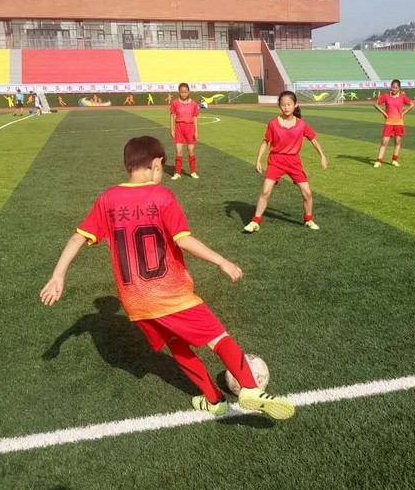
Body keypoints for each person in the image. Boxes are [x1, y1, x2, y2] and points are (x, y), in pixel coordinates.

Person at [39, 136, 295, 419]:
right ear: (157, 163)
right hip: (169, 293)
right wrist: (221, 261)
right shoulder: (162, 196)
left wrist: (58, 276)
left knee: (176, 345)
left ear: (127, 165)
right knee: (218, 337)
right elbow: (184, 240)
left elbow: (77, 237)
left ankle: (214, 401)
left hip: (135, 303)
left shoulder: (108, 199)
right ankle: (249, 388)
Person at [244, 91, 327, 232]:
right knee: (265, 191)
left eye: (289, 104)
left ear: (295, 105)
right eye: (283, 104)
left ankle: (308, 219)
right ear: (279, 106)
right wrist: (258, 160)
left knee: (307, 193)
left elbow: (313, 140)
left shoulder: (301, 124)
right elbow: (265, 143)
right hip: (276, 161)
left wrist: (322, 156)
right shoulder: (273, 123)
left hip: (294, 162)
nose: (286, 107)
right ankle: (255, 221)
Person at [373, 79, 414, 167]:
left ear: (399, 88)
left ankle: (394, 160)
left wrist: (403, 113)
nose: (394, 89)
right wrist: (384, 113)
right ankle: (378, 161)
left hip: (399, 122)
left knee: (397, 141)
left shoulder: (402, 97)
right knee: (384, 142)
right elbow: (375, 104)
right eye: (392, 87)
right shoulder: (386, 96)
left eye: (395, 87)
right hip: (389, 122)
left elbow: (412, 105)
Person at [169, 83, 200, 180]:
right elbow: (172, 116)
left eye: (185, 92)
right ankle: (177, 173)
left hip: (190, 128)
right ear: (179, 92)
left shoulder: (193, 104)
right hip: (179, 128)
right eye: (182, 92)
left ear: (188, 92)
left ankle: (193, 172)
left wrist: (196, 131)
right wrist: (172, 129)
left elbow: (195, 118)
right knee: (178, 151)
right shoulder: (175, 103)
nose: (184, 94)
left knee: (191, 151)